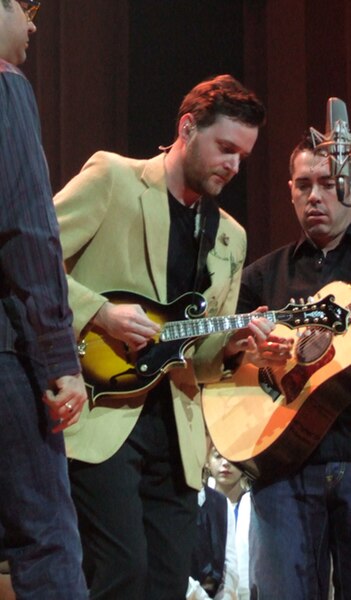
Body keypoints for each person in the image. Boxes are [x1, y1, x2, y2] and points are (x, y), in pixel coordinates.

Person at [53, 73, 272, 600]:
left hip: (176, 434)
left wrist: (236, 346)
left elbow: (201, 360)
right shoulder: (114, 177)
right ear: (187, 127)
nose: (233, 166)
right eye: (225, 148)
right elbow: (30, 261)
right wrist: (98, 312)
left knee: (167, 584)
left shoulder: (230, 236)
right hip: (103, 413)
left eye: (242, 156)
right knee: (121, 573)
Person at [236, 132, 351, 599]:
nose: (315, 196)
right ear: (289, 190)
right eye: (303, 185)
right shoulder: (264, 274)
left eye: (327, 183)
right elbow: (214, 350)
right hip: (280, 466)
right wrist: (247, 351)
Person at [0, 1, 88, 598]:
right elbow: (28, 229)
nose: (33, 25)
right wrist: (59, 356)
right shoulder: (6, 88)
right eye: (25, 6)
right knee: (46, 539)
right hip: (5, 356)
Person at [207, 445, 250, 600]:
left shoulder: (254, 505)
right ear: (207, 460)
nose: (225, 463)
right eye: (218, 456)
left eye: (233, 457)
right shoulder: (199, 504)